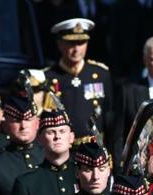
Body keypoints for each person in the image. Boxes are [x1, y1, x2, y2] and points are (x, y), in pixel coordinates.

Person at [45, 18, 114, 148]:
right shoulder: (48, 77)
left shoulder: (100, 74)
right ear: (60, 44)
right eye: (71, 43)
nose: (76, 49)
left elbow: (109, 115)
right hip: (63, 150)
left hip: (95, 149)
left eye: (81, 43)